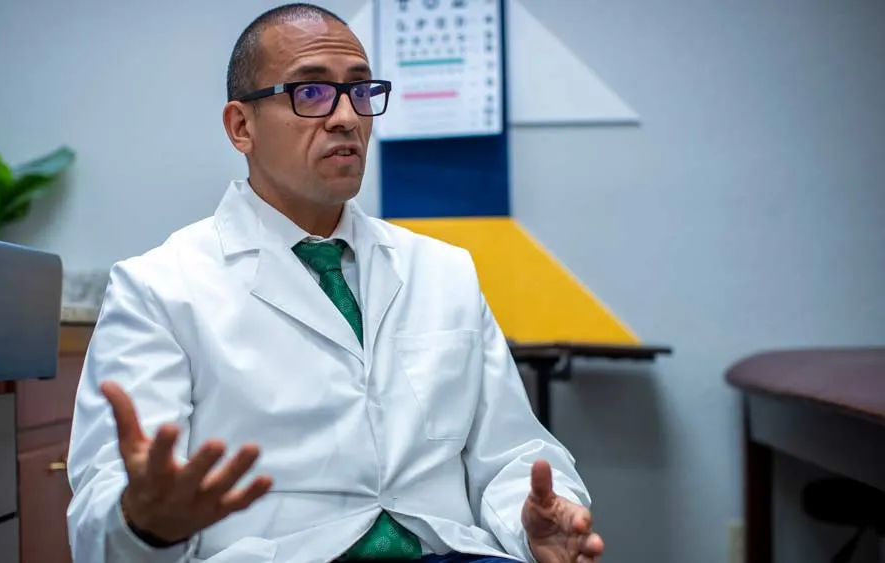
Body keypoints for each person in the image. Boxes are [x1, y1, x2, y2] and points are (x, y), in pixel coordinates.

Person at [66, 3, 604, 562]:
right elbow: (99, 516)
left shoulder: (444, 272)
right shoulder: (158, 288)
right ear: (241, 127)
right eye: (312, 92)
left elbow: (512, 453)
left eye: (360, 91)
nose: (346, 117)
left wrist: (534, 520)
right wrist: (145, 525)